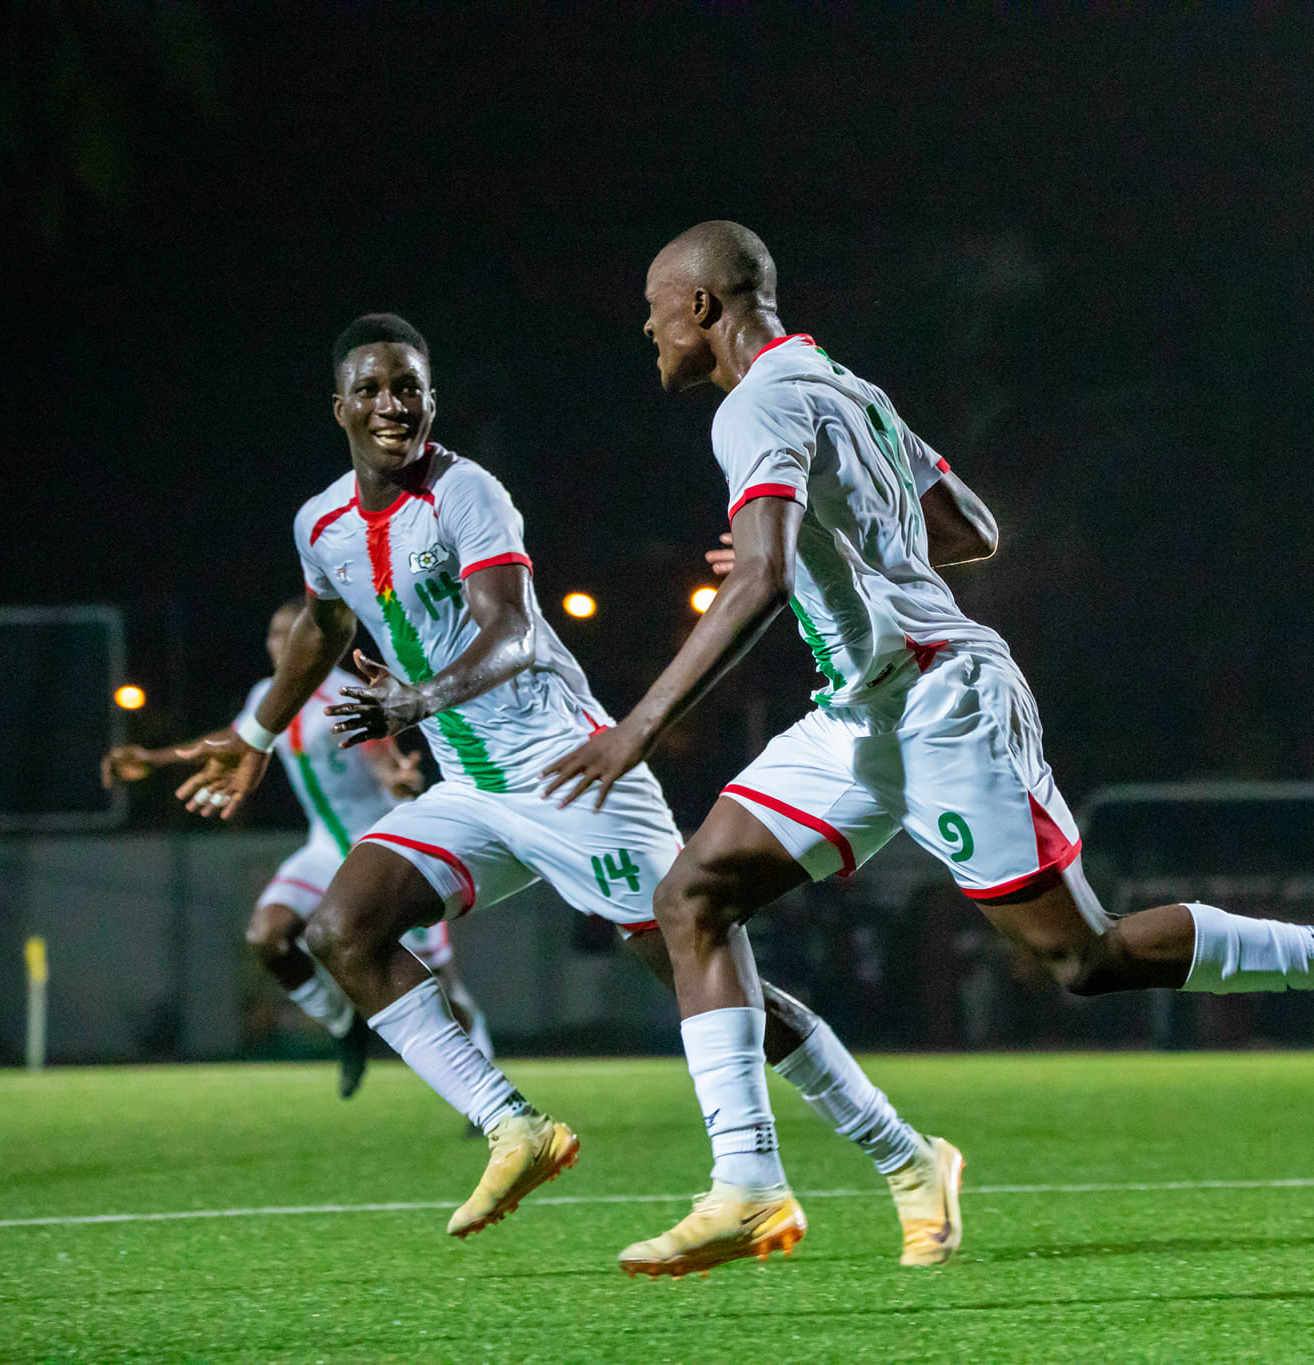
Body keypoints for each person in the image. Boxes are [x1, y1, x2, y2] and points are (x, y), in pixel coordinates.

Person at [540, 222, 1314, 1279]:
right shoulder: (848, 387)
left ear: (703, 307)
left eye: (656, 302)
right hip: (861, 714)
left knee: (1084, 957)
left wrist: (640, 725)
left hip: (941, 703)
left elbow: (754, 581)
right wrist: (829, 548)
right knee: (690, 898)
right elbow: (971, 524)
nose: (647, 325)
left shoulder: (754, 404)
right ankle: (752, 1183)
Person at [173, 314, 956, 1262]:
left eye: (411, 387)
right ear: (339, 406)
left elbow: (513, 635)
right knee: (341, 927)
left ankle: (902, 1152)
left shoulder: (468, 494)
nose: (394, 405)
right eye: (374, 389)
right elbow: (323, 626)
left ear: (431, 399)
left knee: (699, 965)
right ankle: (514, 1126)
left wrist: (417, 697)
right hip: (473, 788)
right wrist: (255, 736)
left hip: (569, 771)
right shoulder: (321, 520)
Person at [102, 601, 486, 1098]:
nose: (277, 645)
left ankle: (482, 1078)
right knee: (268, 935)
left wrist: (402, 781)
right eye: (272, 634)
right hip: (325, 849)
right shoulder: (268, 695)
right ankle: (343, 1025)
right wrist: (154, 759)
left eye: (290, 635)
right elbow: (235, 740)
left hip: (382, 857)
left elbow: (383, 762)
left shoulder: (343, 697)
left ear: (322, 641)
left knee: (444, 986)